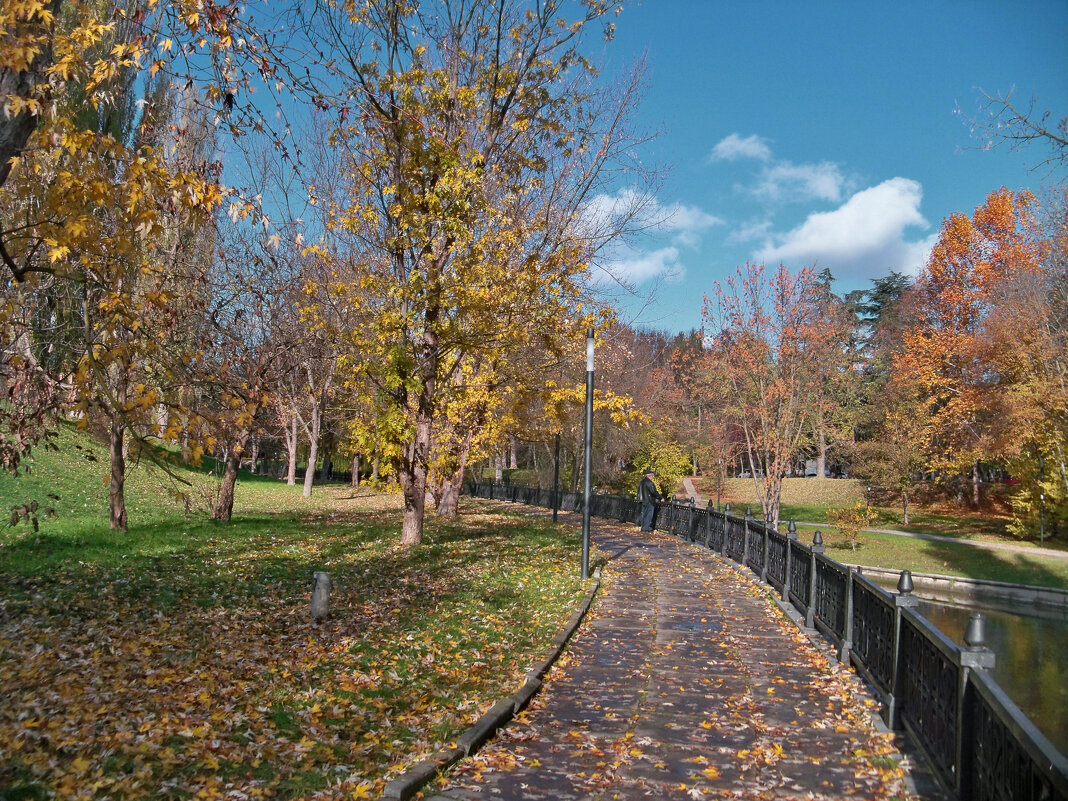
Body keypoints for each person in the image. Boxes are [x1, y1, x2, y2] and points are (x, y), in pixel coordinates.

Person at [638, 467, 659, 532]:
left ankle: (643, 528)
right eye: (652, 476)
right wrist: (660, 497)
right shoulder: (649, 483)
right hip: (649, 501)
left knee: (644, 514)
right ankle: (645, 528)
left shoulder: (642, 482)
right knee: (649, 515)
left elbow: (639, 491)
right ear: (650, 476)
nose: (652, 477)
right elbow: (654, 492)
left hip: (643, 500)